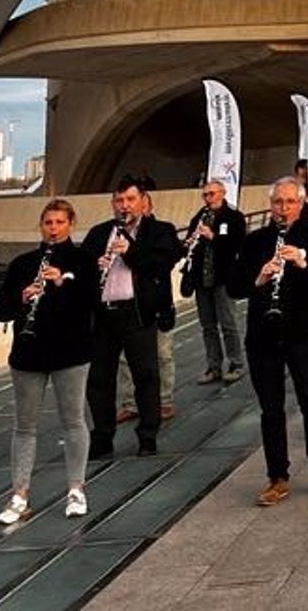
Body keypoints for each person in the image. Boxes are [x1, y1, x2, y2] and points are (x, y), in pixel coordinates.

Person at [232, 178, 308, 504]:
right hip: (263, 336)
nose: (284, 209)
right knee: (271, 409)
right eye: (278, 202)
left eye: (290, 202)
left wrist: (303, 263)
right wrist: (261, 278)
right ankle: (277, 476)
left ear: (301, 203)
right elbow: (234, 287)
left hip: (303, 332)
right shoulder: (255, 241)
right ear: (271, 204)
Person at [0, 199, 97, 523]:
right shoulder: (24, 263)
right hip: (29, 352)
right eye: (48, 223)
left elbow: (89, 303)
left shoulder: (83, 260)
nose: (53, 228)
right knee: (24, 426)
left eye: (59, 223)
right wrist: (21, 297)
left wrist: (60, 284)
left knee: (73, 420)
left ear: (71, 225)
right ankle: (19, 494)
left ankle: (76, 488)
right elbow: (3, 308)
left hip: (71, 351)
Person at [85, 177, 179, 458]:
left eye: (129, 200)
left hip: (137, 314)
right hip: (103, 315)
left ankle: (147, 436)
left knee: (146, 376)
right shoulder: (100, 233)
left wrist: (132, 252)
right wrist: (94, 265)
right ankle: (102, 437)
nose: (124, 206)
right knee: (100, 379)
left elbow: (163, 263)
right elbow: (78, 269)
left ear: (143, 201)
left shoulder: (159, 231)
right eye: (119, 201)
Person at [181, 179, 247, 386]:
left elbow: (236, 246)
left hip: (223, 277)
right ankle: (213, 365)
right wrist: (190, 243)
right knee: (208, 325)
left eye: (211, 194)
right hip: (202, 278)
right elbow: (189, 244)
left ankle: (236, 363)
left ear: (222, 193)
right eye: (205, 195)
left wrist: (213, 236)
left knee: (228, 323)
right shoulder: (200, 216)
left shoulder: (234, 217)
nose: (208, 199)